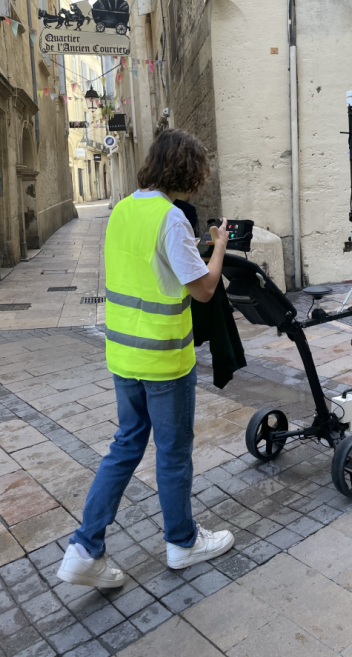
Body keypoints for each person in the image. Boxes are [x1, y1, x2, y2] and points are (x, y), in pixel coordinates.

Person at [57, 129, 234, 588]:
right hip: (165, 361)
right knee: (173, 454)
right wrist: (218, 245)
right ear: (188, 171)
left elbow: (150, 270)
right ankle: (182, 542)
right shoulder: (170, 218)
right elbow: (204, 289)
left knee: (126, 445)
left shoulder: (122, 211)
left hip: (123, 355)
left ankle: (84, 546)